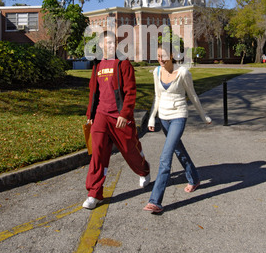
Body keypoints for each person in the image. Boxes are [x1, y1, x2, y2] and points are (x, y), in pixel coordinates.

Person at [83, 30, 150, 210]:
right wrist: (90, 115)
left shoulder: (123, 64)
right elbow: (93, 92)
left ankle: (144, 170)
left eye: (113, 43)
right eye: (107, 43)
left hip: (119, 117)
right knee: (97, 153)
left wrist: (124, 114)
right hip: (101, 117)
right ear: (101, 45)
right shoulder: (97, 65)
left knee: (130, 150)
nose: (111, 46)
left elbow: (130, 92)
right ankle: (94, 193)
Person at [143, 44, 211, 214]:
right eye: (158, 56)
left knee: (165, 157)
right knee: (178, 150)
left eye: (163, 56)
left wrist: (204, 116)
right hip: (163, 117)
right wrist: (152, 117)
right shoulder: (157, 72)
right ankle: (194, 178)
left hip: (179, 116)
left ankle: (155, 200)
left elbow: (193, 95)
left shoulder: (183, 72)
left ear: (172, 55)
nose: (160, 59)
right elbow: (157, 96)